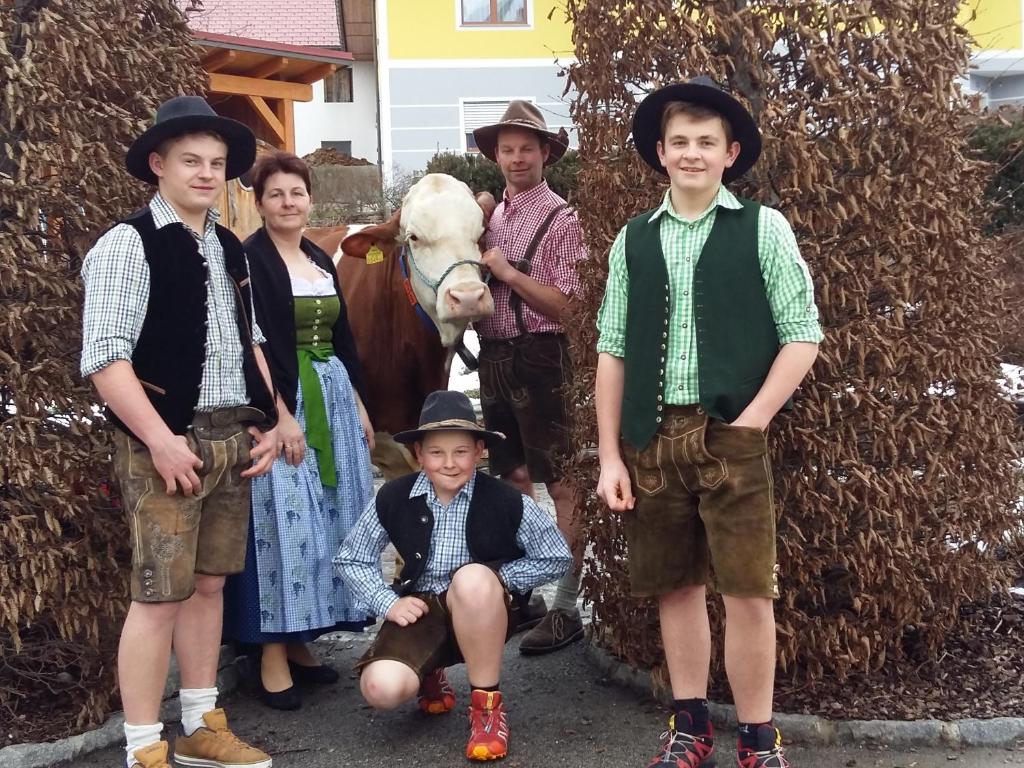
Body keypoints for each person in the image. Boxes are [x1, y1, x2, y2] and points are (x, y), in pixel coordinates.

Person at [594, 77, 824, 768]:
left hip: (733, 436)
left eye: (706, 143)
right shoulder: (633, 240)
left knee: (751, 592)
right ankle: (689, 728)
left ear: (730, 154)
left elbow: (803, 333)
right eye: (680, 143)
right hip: (653, 440)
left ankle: (759, 738)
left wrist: (753, 421)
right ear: (661, 153)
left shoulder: (763, 228)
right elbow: (612, 349)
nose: (692, 154)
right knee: (677, 587)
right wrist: (610, 455)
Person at [80, 96, 280, 768]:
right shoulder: (127, 244)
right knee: (157, 595)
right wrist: (159, 440)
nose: (205, 172)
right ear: (158, 165)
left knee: (209, 586)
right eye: (191, 160)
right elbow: (106, 358)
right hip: (165, 443)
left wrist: (276, 418)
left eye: (216, 163)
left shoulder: (228, 244)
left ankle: (199, 724)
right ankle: (142, 747)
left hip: (231, 439)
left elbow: (252, 341)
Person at [335, 390, 572, 762]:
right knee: (380, 689)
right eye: (436, 452)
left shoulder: (507, 501)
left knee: (472, 579)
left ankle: (487, 709)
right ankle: (429, 673)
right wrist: (388, 602)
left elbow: (556, 557)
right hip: (421, 608)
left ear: (480, 451)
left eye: (461, 451)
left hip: (482, 606)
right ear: (418, 454)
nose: (449, 463)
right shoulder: (394, 497)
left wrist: (501, 579)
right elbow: (351, 558)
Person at [222, 152, 376, 710]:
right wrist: (278, 414)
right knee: (285, 523)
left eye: (297, 193)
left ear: (310, 199)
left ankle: (302, 642)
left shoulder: (318, 257)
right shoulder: (250, 259)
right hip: (287, 404)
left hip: (332, 398)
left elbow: (342, 339)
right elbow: (252, 343)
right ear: (259, 203)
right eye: (276, 195)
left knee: (330, 519)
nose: (288, 203)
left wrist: (359, 403)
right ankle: (269, 654)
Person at [470, 101, 588, 655]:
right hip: (493, 358)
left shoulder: (564, 219)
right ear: (496, 156)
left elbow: (566, 307)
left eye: (526, 148)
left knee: (563, 485)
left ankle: (566, 608)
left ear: (546, 154)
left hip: (543, 358)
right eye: (507, 149)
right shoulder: (491, 214)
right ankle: (526, 596)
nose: (516, 158)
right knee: (511, 483)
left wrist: (508, 273)